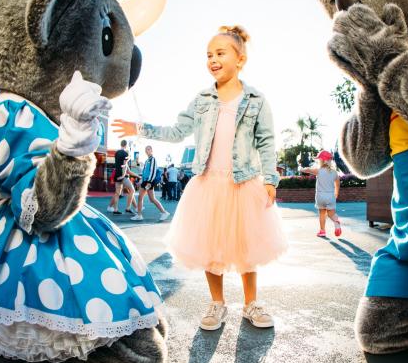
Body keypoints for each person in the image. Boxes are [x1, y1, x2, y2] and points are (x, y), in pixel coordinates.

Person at [112, 25, 287, 330]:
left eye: (220, 53)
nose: (213, 60)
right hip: (208, 183)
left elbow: (266, 141)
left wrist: (270, 179)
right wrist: (141, 129)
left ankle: (251, 303)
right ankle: (217, 304)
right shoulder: (202, 99)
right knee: (210, 248)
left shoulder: (256, 100)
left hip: (244, 183)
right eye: (208, 55)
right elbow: (177, 131)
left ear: (240, 59)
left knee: (248, 246)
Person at [301, 150, 341, 237]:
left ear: (321, 161)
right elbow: (337, 183)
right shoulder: (334, 172)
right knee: (331, 213)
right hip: (331, 196)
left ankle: (322, 231)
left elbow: (308, 170)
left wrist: (302, 169)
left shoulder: (318, 170)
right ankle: (336, 221)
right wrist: (336, 193)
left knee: (322, 214)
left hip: (320, 196)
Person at [131, 145, 170, 221]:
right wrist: (141, 181)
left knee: (143, 197)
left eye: (148, 149)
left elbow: (153, 171)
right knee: (149, 199)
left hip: (148, 182)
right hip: (146, 181)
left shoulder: (153, 159)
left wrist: (149, 182)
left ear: (151, 150)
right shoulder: (147, 160)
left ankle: (140, 215)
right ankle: (163, 212)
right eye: (146, 149)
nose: (147, 151)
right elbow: (144, 171)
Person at [107, 139, 139, 215]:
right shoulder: (125, 154)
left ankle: (115, 209)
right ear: (126, 145)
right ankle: (128, 208)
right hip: (122, 175)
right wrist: (123, 175)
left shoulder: (117, 153)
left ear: (121, 144)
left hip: (116, 174)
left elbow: (118, 164)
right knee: (132, 190)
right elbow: (124, 165)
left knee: (117, 193)